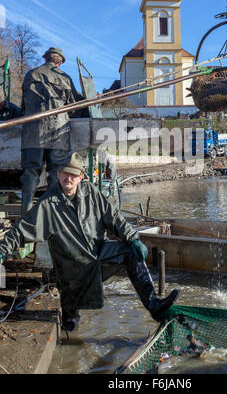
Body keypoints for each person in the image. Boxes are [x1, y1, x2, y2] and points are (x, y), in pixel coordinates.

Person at [0, 153, 179, 332]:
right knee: (70, 325)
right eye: (64, 173)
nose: (68, 178)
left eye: (73, 174)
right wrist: (2, 252)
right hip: (72, 272)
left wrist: (132, 238)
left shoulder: (91, 192)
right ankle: (70, 332)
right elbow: (19, 231)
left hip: (98, 256)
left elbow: (113, 217)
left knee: (130, 253)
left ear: (81, 176)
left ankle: (154, 305)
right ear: (58, 174)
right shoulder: (47, 204)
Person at [20, 47, 84, 217]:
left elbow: (23, 106)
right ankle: (52, 214)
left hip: (31, 131)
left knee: (30, 173)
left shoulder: (30, 74)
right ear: (59, 62)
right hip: (58, 132)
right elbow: (73, 107)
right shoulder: (64, 77)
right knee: (56, 172)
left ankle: (26, 213)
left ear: (45, 59)